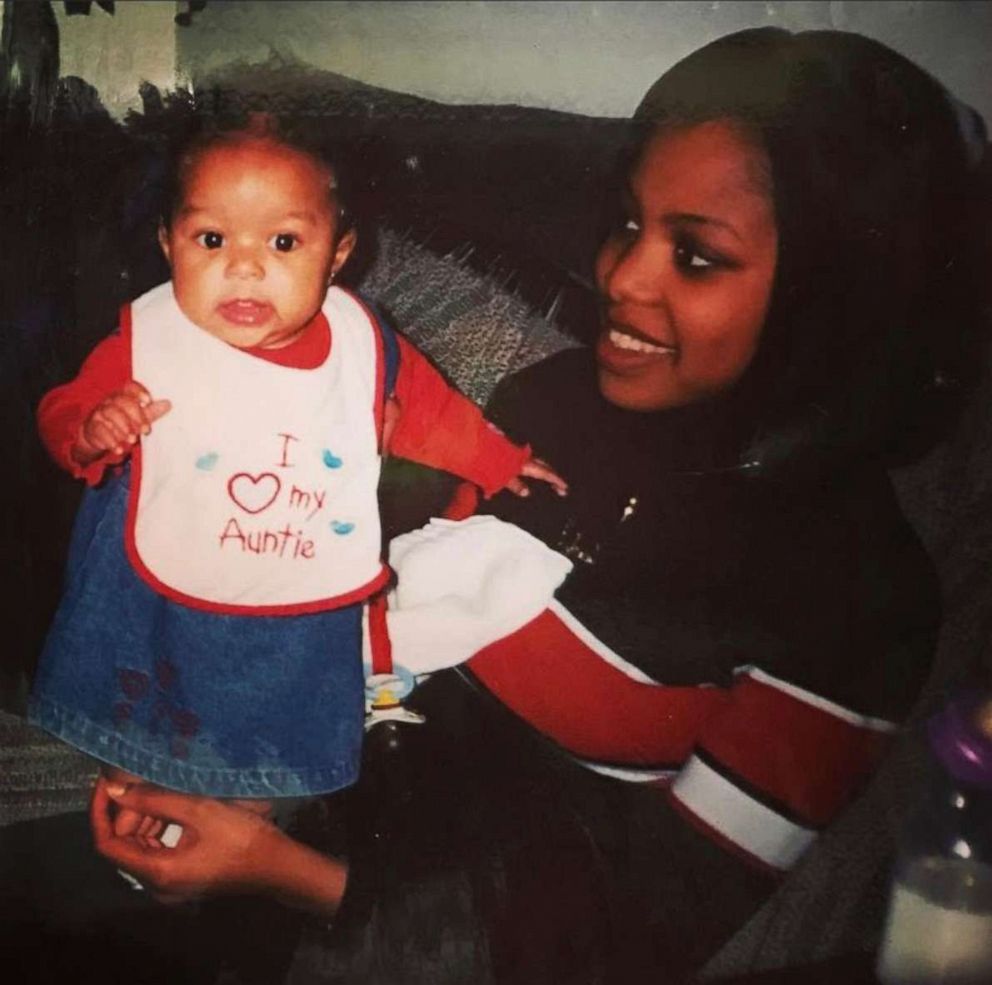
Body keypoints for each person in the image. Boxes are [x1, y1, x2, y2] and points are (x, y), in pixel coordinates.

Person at [90, 27, 986, 984]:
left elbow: (654, 918)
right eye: (631, 226)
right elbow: (390, 636)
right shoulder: (547, 406)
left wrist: (278, 869)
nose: (619, 277)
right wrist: (242, 786)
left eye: (696, 256)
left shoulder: (858, 594)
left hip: (437, 938)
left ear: (833, 291)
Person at [28, 109, 566, 824]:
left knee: (282, 713)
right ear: (168, 243)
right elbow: (62, 409)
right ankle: (139, 787)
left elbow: (434, 414)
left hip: (295, 595)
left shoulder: (360, 346)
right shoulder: (149, 341)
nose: (244, 266)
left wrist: (500, 462)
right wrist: (91, 430)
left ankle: (251, 805)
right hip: (149, 600)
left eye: (283, 241)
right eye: (211, 238)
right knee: (139, 698)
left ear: (338, 254)